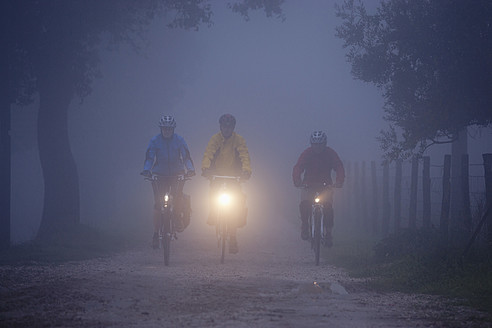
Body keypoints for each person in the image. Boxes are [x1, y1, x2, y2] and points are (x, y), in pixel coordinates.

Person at [141, 115, 195, 249]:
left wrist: (190, 169)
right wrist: (147, 170)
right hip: (159, 174)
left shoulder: (179, 140)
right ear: (161, 129)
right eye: (164, 129)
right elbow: (149, 157)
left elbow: (186, 156)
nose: (167, 131)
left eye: (169, 129)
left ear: (173, 129)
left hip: (177, 173)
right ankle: (155, 234)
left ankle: (176, 218)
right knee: (158, 204)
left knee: (177, 198)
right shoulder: (155, 141)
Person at [201, 114, 251, 254]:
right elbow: (208, 153)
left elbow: (244, 155)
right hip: (217, 174)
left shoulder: (239, 140)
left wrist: (246, 170)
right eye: (224, 127)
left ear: (233, 128)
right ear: (221, 127)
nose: (227, 129)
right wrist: (205, 168)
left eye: (229, 127)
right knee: (212, 195)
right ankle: (213, 213)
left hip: (234, 176)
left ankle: (233, 237)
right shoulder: (215, 139)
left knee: (237, 203)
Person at [292, 131, 345, 247]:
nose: (317, 147)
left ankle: (328, 234)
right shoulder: (307, 153)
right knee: (304, 204)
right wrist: (297, 180)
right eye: (315, 144)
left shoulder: (330, 153)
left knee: (328, 208)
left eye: (320, 144)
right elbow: (298, 166)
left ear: (324, 144)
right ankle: (305, 225)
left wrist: (339, 181)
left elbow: (338, 166)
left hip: (326, 185)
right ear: (311, 144)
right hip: (308, 184)